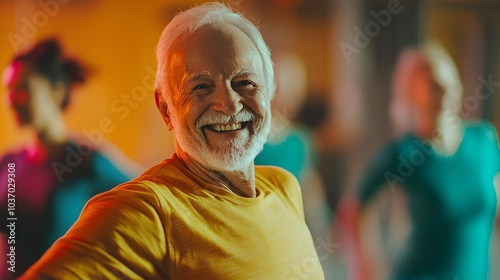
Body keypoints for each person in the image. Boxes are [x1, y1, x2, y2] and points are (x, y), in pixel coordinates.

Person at [20, 3, 325, 279]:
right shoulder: (146, 210)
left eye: (244, 82)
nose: (229, 105)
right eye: (201, 86)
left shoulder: (284, 188)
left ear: (269, 94)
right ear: (166, 108)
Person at [338, 42, 499, 280]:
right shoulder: (405, 152)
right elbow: (353, 209)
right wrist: (365, 266)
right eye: (434, 85)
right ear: (411, 94)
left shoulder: (484, 139)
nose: (445, 92)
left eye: (450, 82)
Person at [0, 39, 141, 278]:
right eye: (8, 91)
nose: (11, 100)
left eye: (22, 89)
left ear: (56, 92)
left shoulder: (86, 161)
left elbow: (150, 194)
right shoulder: (8, 163)